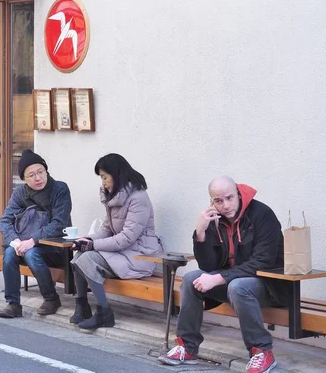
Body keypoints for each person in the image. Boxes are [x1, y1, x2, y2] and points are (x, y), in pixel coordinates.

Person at [158, 176, 285, 373]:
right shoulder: (214, 219)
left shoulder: (261, 214)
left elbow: (263, 262)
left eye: (229, 198)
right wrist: (200, 232)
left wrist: (219, 278)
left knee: (238, 286)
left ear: (237, 193)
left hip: (270, 285)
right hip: (234, 283)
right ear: (211, 201)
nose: (225, 205)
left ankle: (261, 351)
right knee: (192, 279)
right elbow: (208, 265)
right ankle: (187, 347)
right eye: (218, 200)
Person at [70, 153, 161, 329]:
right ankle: (82, 306)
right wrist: (86, 240)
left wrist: (93, 245)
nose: (103, 182)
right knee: (80, 254)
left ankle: (104, 313)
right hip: (122, 254)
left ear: (117, 174)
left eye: (105, 177)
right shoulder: (115, 197)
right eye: (101, 178)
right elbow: (106, 230)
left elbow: (127, 238)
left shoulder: (138, 198)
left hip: (140, 257)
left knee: (87, 258)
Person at [0, 149, 72, 318]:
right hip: (25, 245)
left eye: (41, 172)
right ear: (24, 179)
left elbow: (59, 223)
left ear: (46, 171)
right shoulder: (20, 193)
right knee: (9, 253)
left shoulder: (59, 189)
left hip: (56, 247)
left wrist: (32, 241)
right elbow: (5, 221)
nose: (38, 178)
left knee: (32, 253)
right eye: (31, 175)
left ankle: (51, 298)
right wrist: (15, 241)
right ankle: (13, 304)